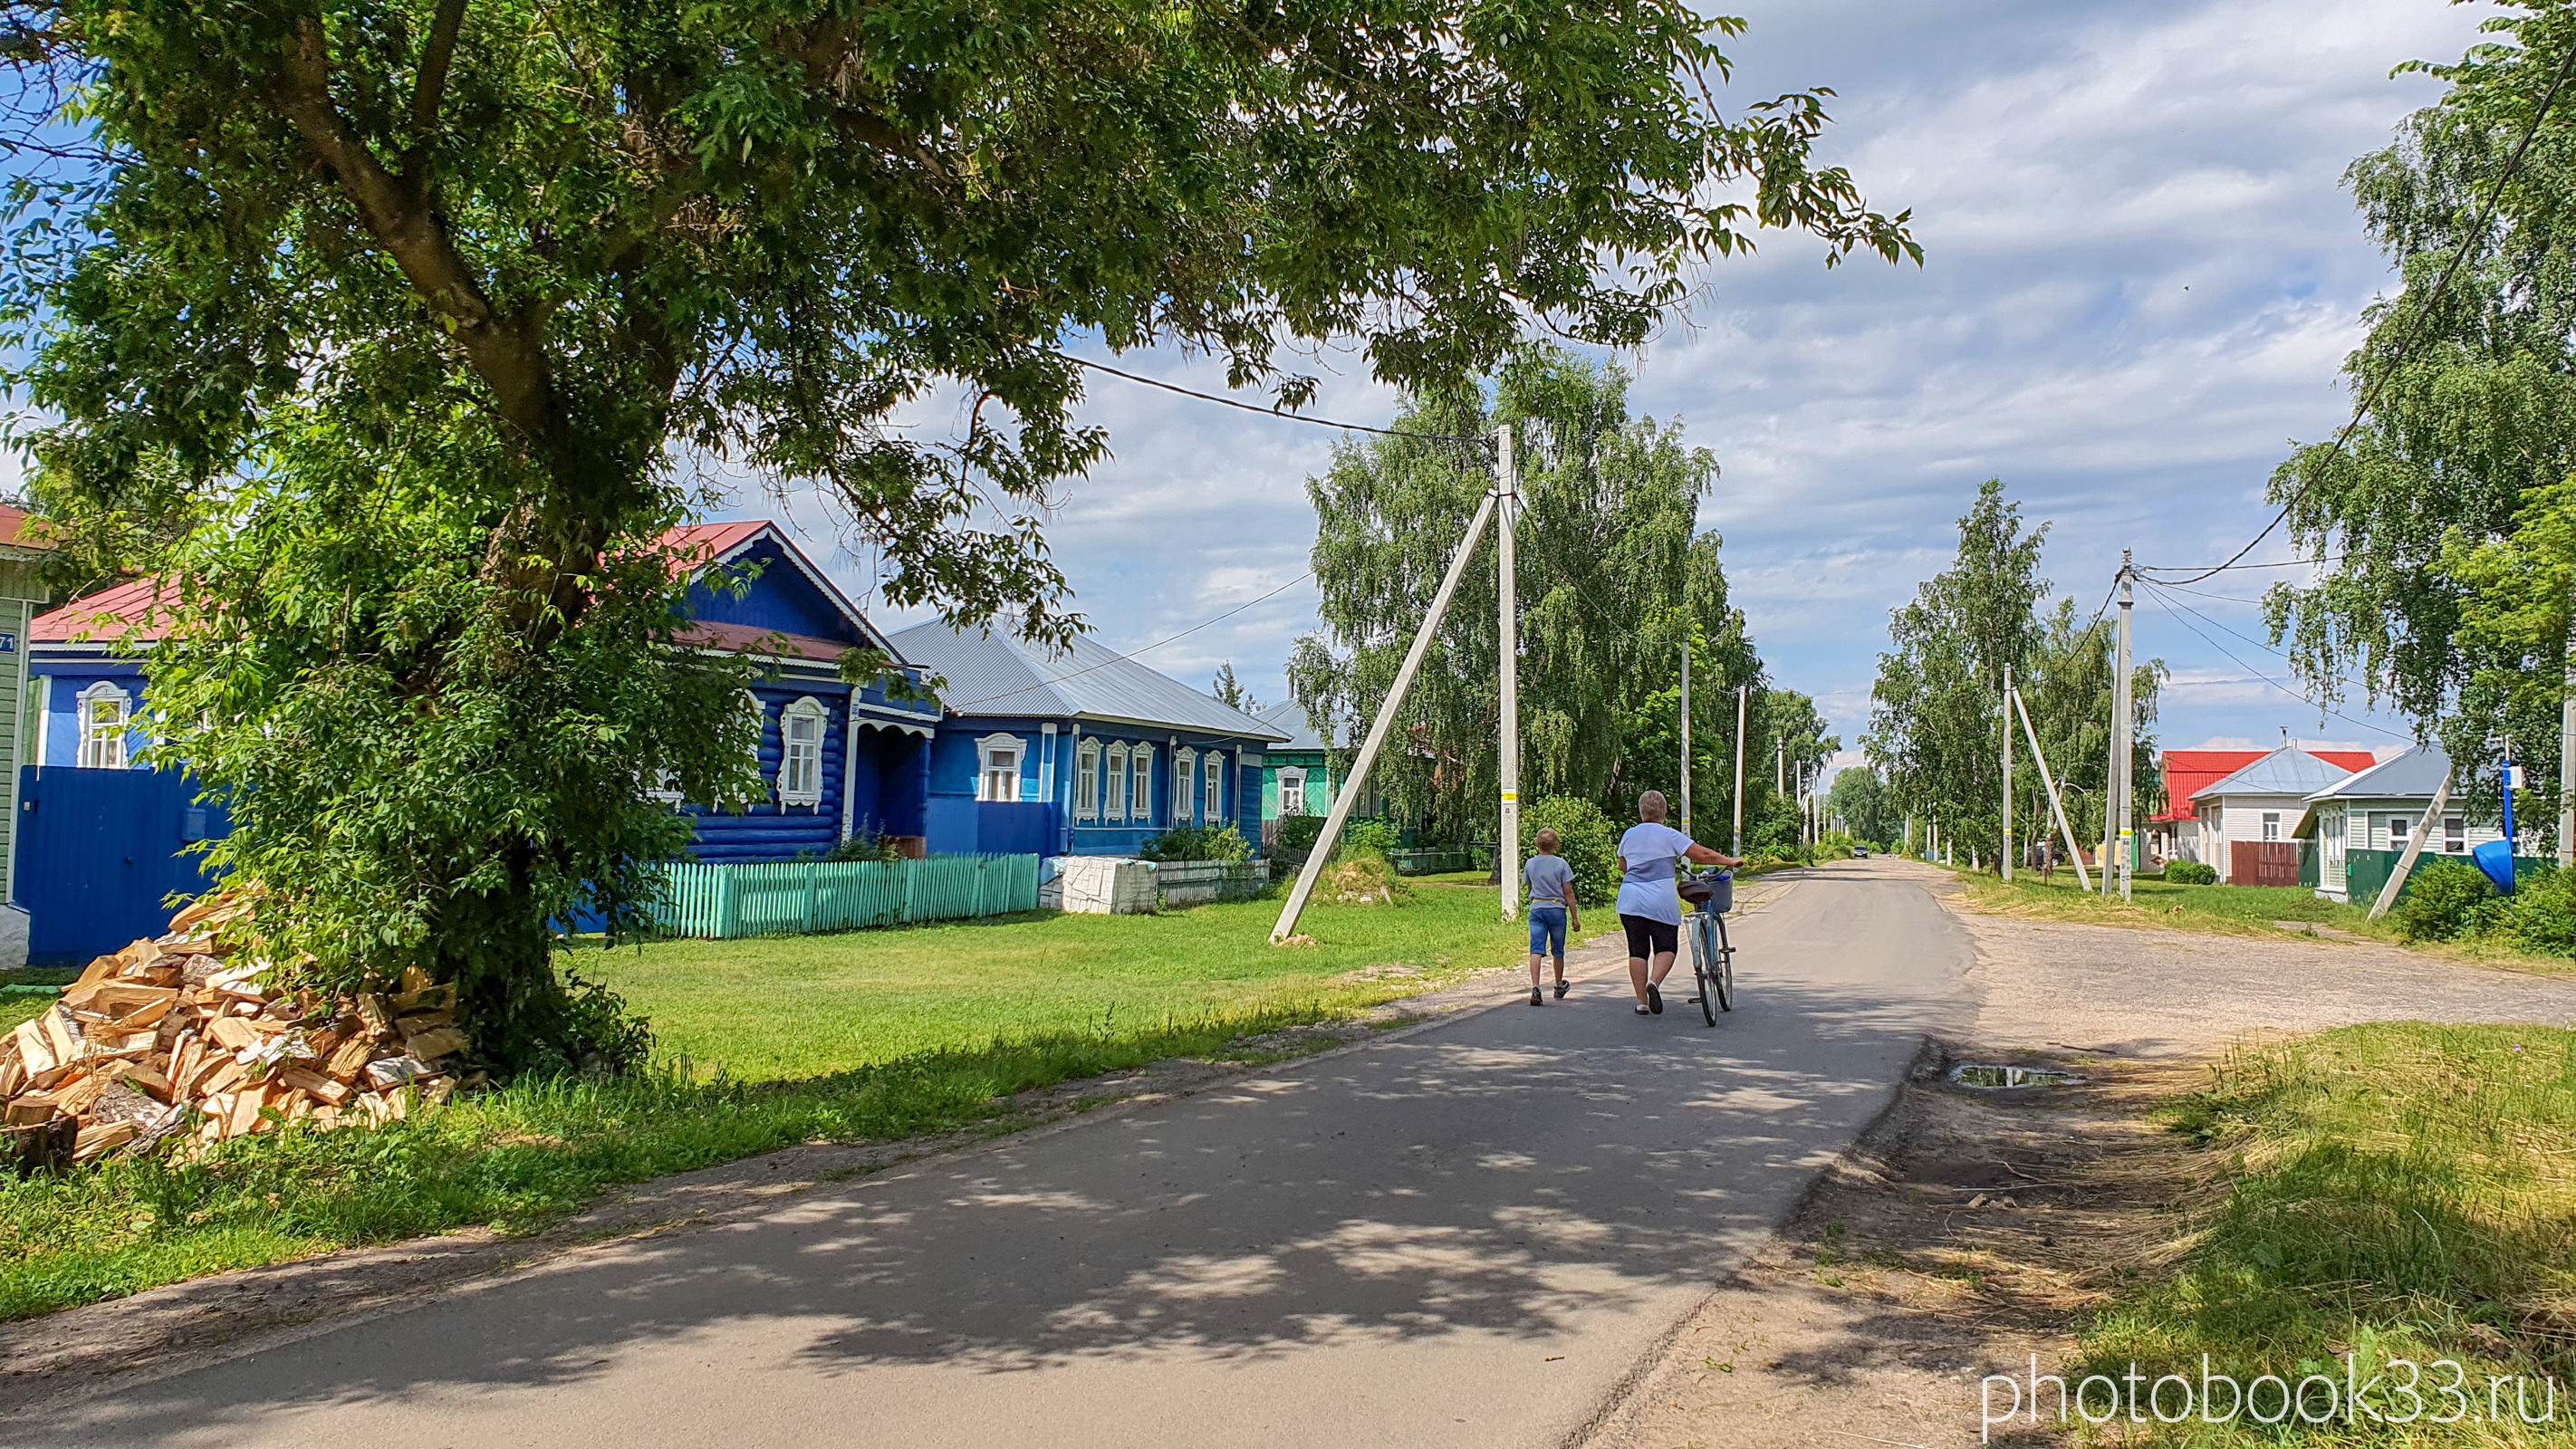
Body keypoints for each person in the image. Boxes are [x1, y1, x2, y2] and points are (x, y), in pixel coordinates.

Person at [1617, 790, 1742, 1015]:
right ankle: (1654, 982)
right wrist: (1729, 860)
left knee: (1637, 950)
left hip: (1630, 900)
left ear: (1641, 812)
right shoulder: (1669, 835)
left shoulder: (1629, 834)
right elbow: (1701, 855)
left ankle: (1641, 1002)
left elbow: (1623, 866)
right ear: (1664, 812)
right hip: (1660, 900)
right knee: (1666, 947)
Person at [1523, 828, 1581, 1005]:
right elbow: (1568, 892)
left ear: (1536, 845)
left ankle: (1535, 987)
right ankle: (1558, 985)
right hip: (1556, 909)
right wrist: (1575, 917)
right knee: (1558, 950)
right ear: (1556, 846)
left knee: (1536, 949)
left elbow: (1529, 889)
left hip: (1537, 908)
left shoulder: (1530, 864)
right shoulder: (1561, 864)